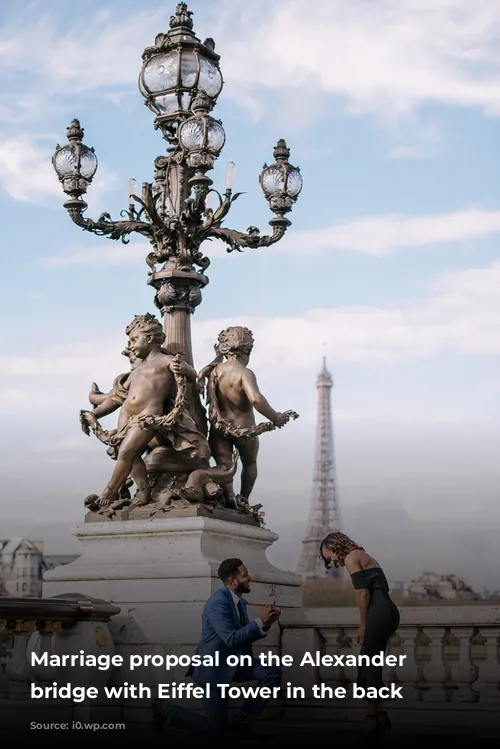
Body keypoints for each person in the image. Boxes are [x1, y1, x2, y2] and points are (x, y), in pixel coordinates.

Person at [152, 557, 282, 736]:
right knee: (218, 732)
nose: (250, 577)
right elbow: (231, 639)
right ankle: (166, 709)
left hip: (235, 663)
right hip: (213, 670)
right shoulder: (217, 603)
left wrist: (266, 623)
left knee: (273, 672)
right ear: (232, 581)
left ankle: (242, 719)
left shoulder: (240, 602)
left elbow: (242, 637)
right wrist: (259, 621)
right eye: (245, 575)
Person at [319, 532, 400, 736]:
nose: (333, 561)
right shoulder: (363, 555)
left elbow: (363, 593)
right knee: (371, 663)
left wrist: (363, 625)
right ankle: (379, 714)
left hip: (378, 612)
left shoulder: (351, 557)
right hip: (388, 611)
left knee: (368, 665)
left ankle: (372, 718)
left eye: (330, 556)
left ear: (336, 546)